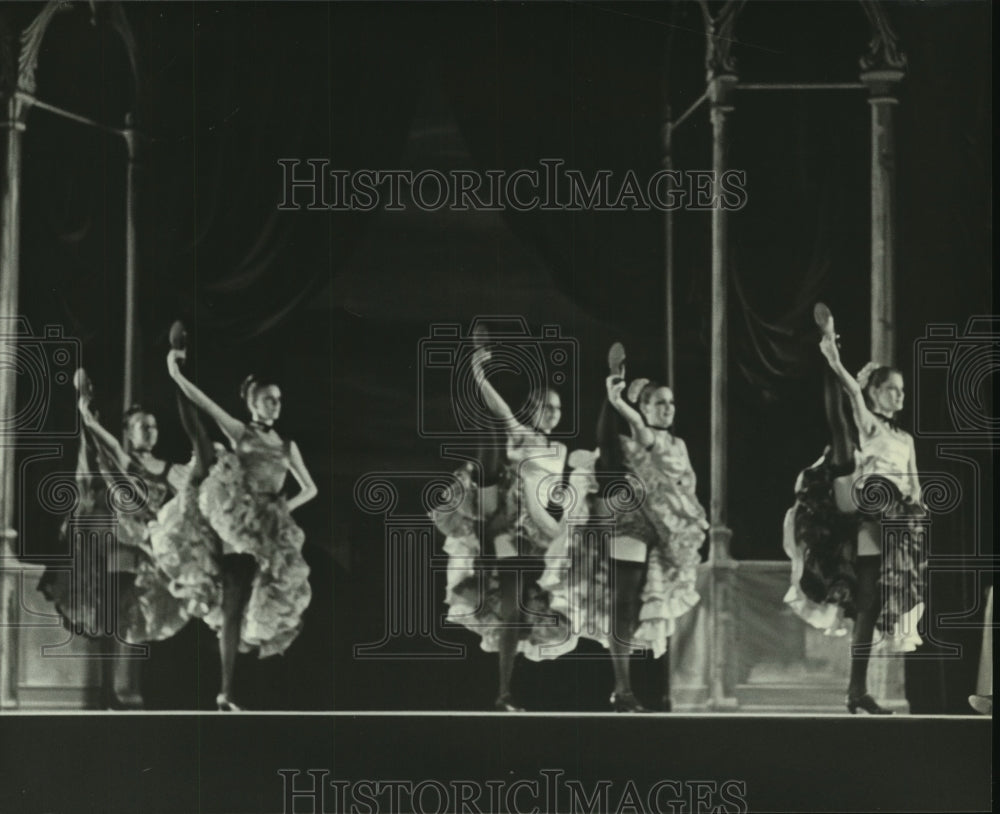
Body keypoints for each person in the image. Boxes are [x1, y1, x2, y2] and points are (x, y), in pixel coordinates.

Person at [161, 325, 316, 710]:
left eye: (278, 399)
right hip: (239, 521)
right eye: (267, 399)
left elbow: (311, 488)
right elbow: (205, 407)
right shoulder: (241, 432)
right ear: (252, 403)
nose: (275, 405)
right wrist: (177, 373)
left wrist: (284, 510)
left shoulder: (287, 445)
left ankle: (244, 689)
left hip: (271, 526)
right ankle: (226, 690)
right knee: (234, 600)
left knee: (268, 605)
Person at [784, 303, 926, 715]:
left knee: (875, 606)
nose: (899, 395)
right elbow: (848, 390)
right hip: (868, 509)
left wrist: (914, 515)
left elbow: (914, 484)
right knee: (867, 603)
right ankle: (857, 690)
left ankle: (857, 690)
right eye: (891, 389)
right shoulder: (870, 424)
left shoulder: (906, 439)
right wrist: (832, 353)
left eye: (901, 390)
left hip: (897, 520)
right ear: (875, 392)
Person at [556, 343, 705, 712]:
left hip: (666, 535)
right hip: (633, 526)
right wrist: (618, 399)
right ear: (645, 407)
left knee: (642, 609)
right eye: (659, 403)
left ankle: (631, 688)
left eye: (670, 403)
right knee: (623, 606)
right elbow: (630, 430)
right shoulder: (644, 437)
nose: (667, 409)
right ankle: (622, 689)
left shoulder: (680, 444)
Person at [431, 343, 577, 712]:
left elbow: (553, 500)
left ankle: (511, 688)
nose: (552, 414)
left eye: (558, 408)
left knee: (532, 609)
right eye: (546, 406)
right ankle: (504, 693)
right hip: (510, 530)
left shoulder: (559, 452)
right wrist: (478, 374)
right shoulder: (520, 434)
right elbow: (500, 409)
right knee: (512, 610)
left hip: (543, 537)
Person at [39, 369, 190, 708]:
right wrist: (86, 412)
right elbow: (99, 442)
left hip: (152, 548)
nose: (150, 432)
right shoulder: (120, 461)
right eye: (142, 426)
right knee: (111, 615)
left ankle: (136, 689)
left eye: (153, 426)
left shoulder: (168, 468)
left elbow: (185, 503)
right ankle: (109, 689)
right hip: (120, 542)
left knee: (141, 617)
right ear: (128, 431)